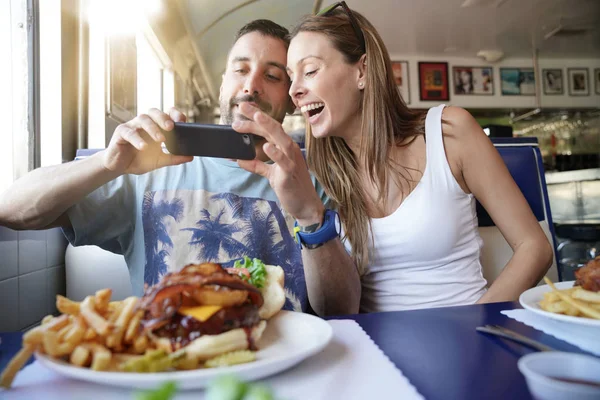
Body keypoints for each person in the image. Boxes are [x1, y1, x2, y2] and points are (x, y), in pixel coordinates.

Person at [232, 2, 553, 315]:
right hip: (373, 352)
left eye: (310, 70)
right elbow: (333, 308)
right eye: (291, 77)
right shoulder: (315, 173)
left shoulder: (449, 131)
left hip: (469, 341)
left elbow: (534, 248)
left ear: (363, 71)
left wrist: (478, 325)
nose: (294, 92)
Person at [0, 19, 327, 313]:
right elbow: (12, 210)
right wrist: (107, 164)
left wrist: (312, 218)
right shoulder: (145, 170)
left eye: (272, 76)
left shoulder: (314, 182)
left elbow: (341, 307)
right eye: (241, 70)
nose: (251, 85)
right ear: (223, 85)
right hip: (167, 368)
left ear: (290, 97)